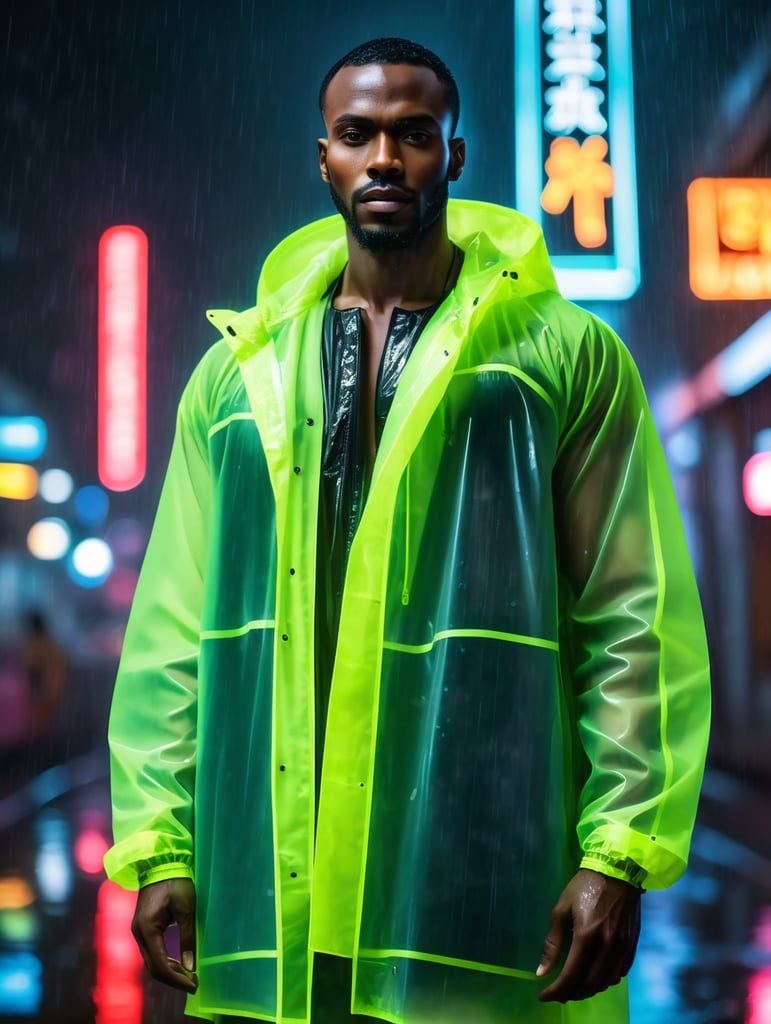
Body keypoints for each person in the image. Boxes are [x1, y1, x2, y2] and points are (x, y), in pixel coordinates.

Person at [104, 37, 711, 1024]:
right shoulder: (235, 379)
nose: (384, 159)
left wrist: (619, 852)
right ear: (323, 158)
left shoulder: (562, 356)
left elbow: (629, 614)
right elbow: (173, 631)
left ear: (455, 157)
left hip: (488, 872)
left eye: (413, 135)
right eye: (357, 134)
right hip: (272, 887)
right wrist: (161, 845)